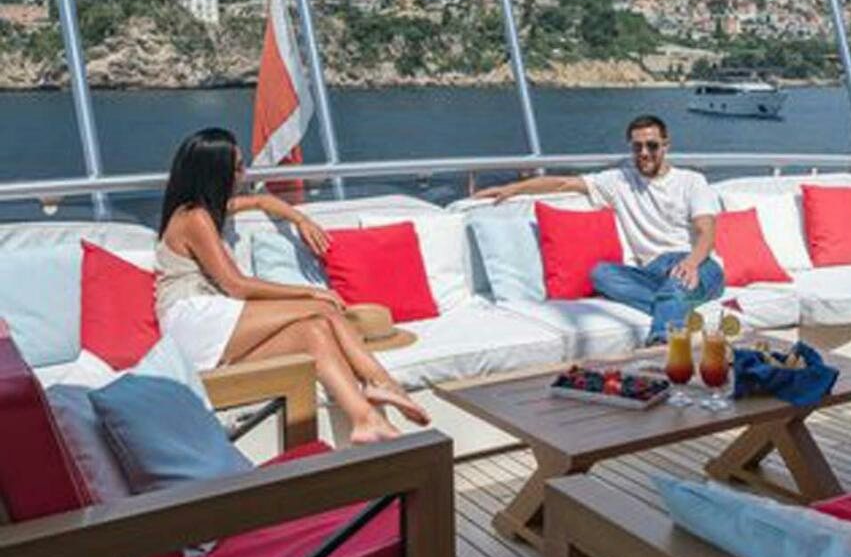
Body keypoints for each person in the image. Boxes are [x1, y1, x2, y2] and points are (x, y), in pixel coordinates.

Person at [156, 127, 430, 444]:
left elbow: (260, 200)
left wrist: (301, 220)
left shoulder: (207, 209)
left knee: (313, 333)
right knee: (323, 307)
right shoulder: (195, 217)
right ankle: (380, 380)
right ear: (214, 172)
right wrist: (308, 291)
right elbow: (236, 286)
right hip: (194, 319)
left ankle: (363, 418)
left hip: (212, 322)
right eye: (238, 167)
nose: (244, 173)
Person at [475, 114, 723, 342]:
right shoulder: (618, 181)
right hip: (651, 272)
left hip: (698, 265)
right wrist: (512, 189)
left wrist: (691, 263)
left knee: (676, 287)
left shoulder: (691, 181)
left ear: (666, 146)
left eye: (652, 145)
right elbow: (563, 183)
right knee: (601, 274)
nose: (644, 153)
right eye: (637, 147)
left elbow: (706, 232)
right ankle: (673, 305)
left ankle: (660, 344)